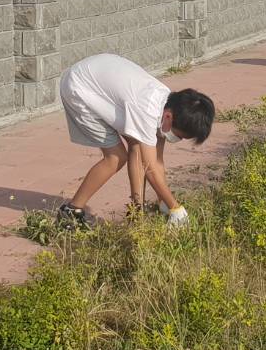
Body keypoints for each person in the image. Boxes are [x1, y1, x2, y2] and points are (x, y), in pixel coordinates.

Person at [56, 53, 215, 231]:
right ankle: (71, 211)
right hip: (79, 87)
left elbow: (155, 161)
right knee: (115, 158)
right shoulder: (147, 109)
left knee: (136, 147)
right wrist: (175, 207)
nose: (177, 140)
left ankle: (135, 211)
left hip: (97, 77)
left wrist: (157, 201)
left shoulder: (166, 102)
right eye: (180, 136)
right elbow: (150, 169)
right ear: (169, 117)